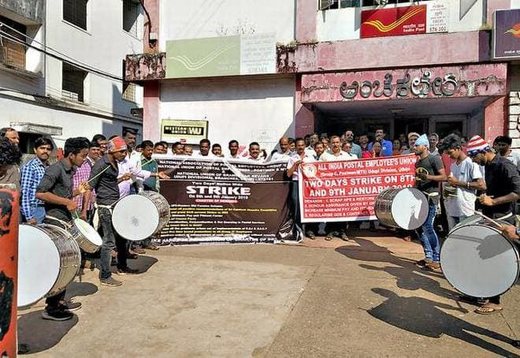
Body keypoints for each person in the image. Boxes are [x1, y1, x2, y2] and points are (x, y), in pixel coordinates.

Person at [36, 137, 91, 321]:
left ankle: (59, 302)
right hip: (54, 222)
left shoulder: (69, 170)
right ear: (71, 154)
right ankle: (51, 308)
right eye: (82, 156)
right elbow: (40, 192)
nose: (84, 159)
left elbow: (63, 193)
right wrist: (67, 201)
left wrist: (77, 192)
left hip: (65, 222)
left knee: (67, 264)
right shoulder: (55, 169)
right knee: (59, 265)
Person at [467, 135, 520, 315]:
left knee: (494, 261)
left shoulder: (505, 166)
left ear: (483, 152)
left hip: (503, 219)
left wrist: (493, 202)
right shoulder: (488, 165)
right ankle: (482, 294)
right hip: (492, 217)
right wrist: (484, 199)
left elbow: (518, 192)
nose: (474, 161)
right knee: (484, 260)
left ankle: (494, 300)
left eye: (474, 157)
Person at [89, 137, 133, 286]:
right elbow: (90, 185)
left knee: (120, 236)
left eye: (125, 151)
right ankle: (105, 275)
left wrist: (121, 179)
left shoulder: (113, 163)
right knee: (108, 241)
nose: (124, 154)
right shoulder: (102, 164)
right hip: (106, 206)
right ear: (112, 150)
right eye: (121, 151)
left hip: (114, 203)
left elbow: (108, 183)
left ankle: (122, 266)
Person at [413, 134, 447, 271]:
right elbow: (419, 180)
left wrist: (428, 177)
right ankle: (428, 256)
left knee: (428, 226)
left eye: (417, 145)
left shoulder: (434, 159)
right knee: (419, 228)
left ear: (425, 146)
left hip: (431, 198)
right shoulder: (418, 162)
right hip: (420, 198)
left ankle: (436, 258)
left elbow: (443, 176)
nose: (414, 147)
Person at [440, 134, 485, 230]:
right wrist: (448, 190)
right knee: (453, 238)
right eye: (447, 153)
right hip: (452, 208)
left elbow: (481, 185)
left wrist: (458, 183)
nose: (449, 156)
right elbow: (454, 184)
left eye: (450, 152)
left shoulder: (471, 163)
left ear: (458, 148)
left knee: (465, 240)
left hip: (466, 209)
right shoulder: (453, 165)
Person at [320, 135, 355, 241]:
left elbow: (351, 171)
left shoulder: (346, 156)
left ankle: (342, 231)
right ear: (330, 144)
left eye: (337, 142)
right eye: (333, 142)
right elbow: (319, 170)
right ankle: (330, 231)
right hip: (329, 188)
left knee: (342, 209)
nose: (335, 144)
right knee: (331, 209)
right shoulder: (324, 156)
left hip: (342, 188)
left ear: (340, 143)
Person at [21, 138, 54, 224]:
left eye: (48, 149)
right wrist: (29, 216)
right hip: (34, 208)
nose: (45, 151)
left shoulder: (49, 167)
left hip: (46, 207)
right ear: (35, 150)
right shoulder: (30, 167)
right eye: (42, 148)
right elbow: (25, 192)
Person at [286, 138, 311, 241]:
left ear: (305, 146)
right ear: (295, 147)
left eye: (302, 145)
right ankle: (298, 232)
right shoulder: (292, 158)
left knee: (309, 207)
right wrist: (295, 165)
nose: (300, 147)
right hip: (296, 183)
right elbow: (288, 174)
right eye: (298, 145)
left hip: (308, 184)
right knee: (296, 207)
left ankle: (310, 230)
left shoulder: (311, 157)